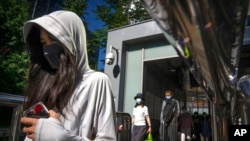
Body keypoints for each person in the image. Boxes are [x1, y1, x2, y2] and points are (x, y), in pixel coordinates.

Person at [20, 10, 117, 141]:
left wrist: (64, 138)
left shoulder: (97, 81)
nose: (48, 49)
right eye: (43, 43)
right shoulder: (46, 81)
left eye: (53, 40)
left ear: (74, 41)